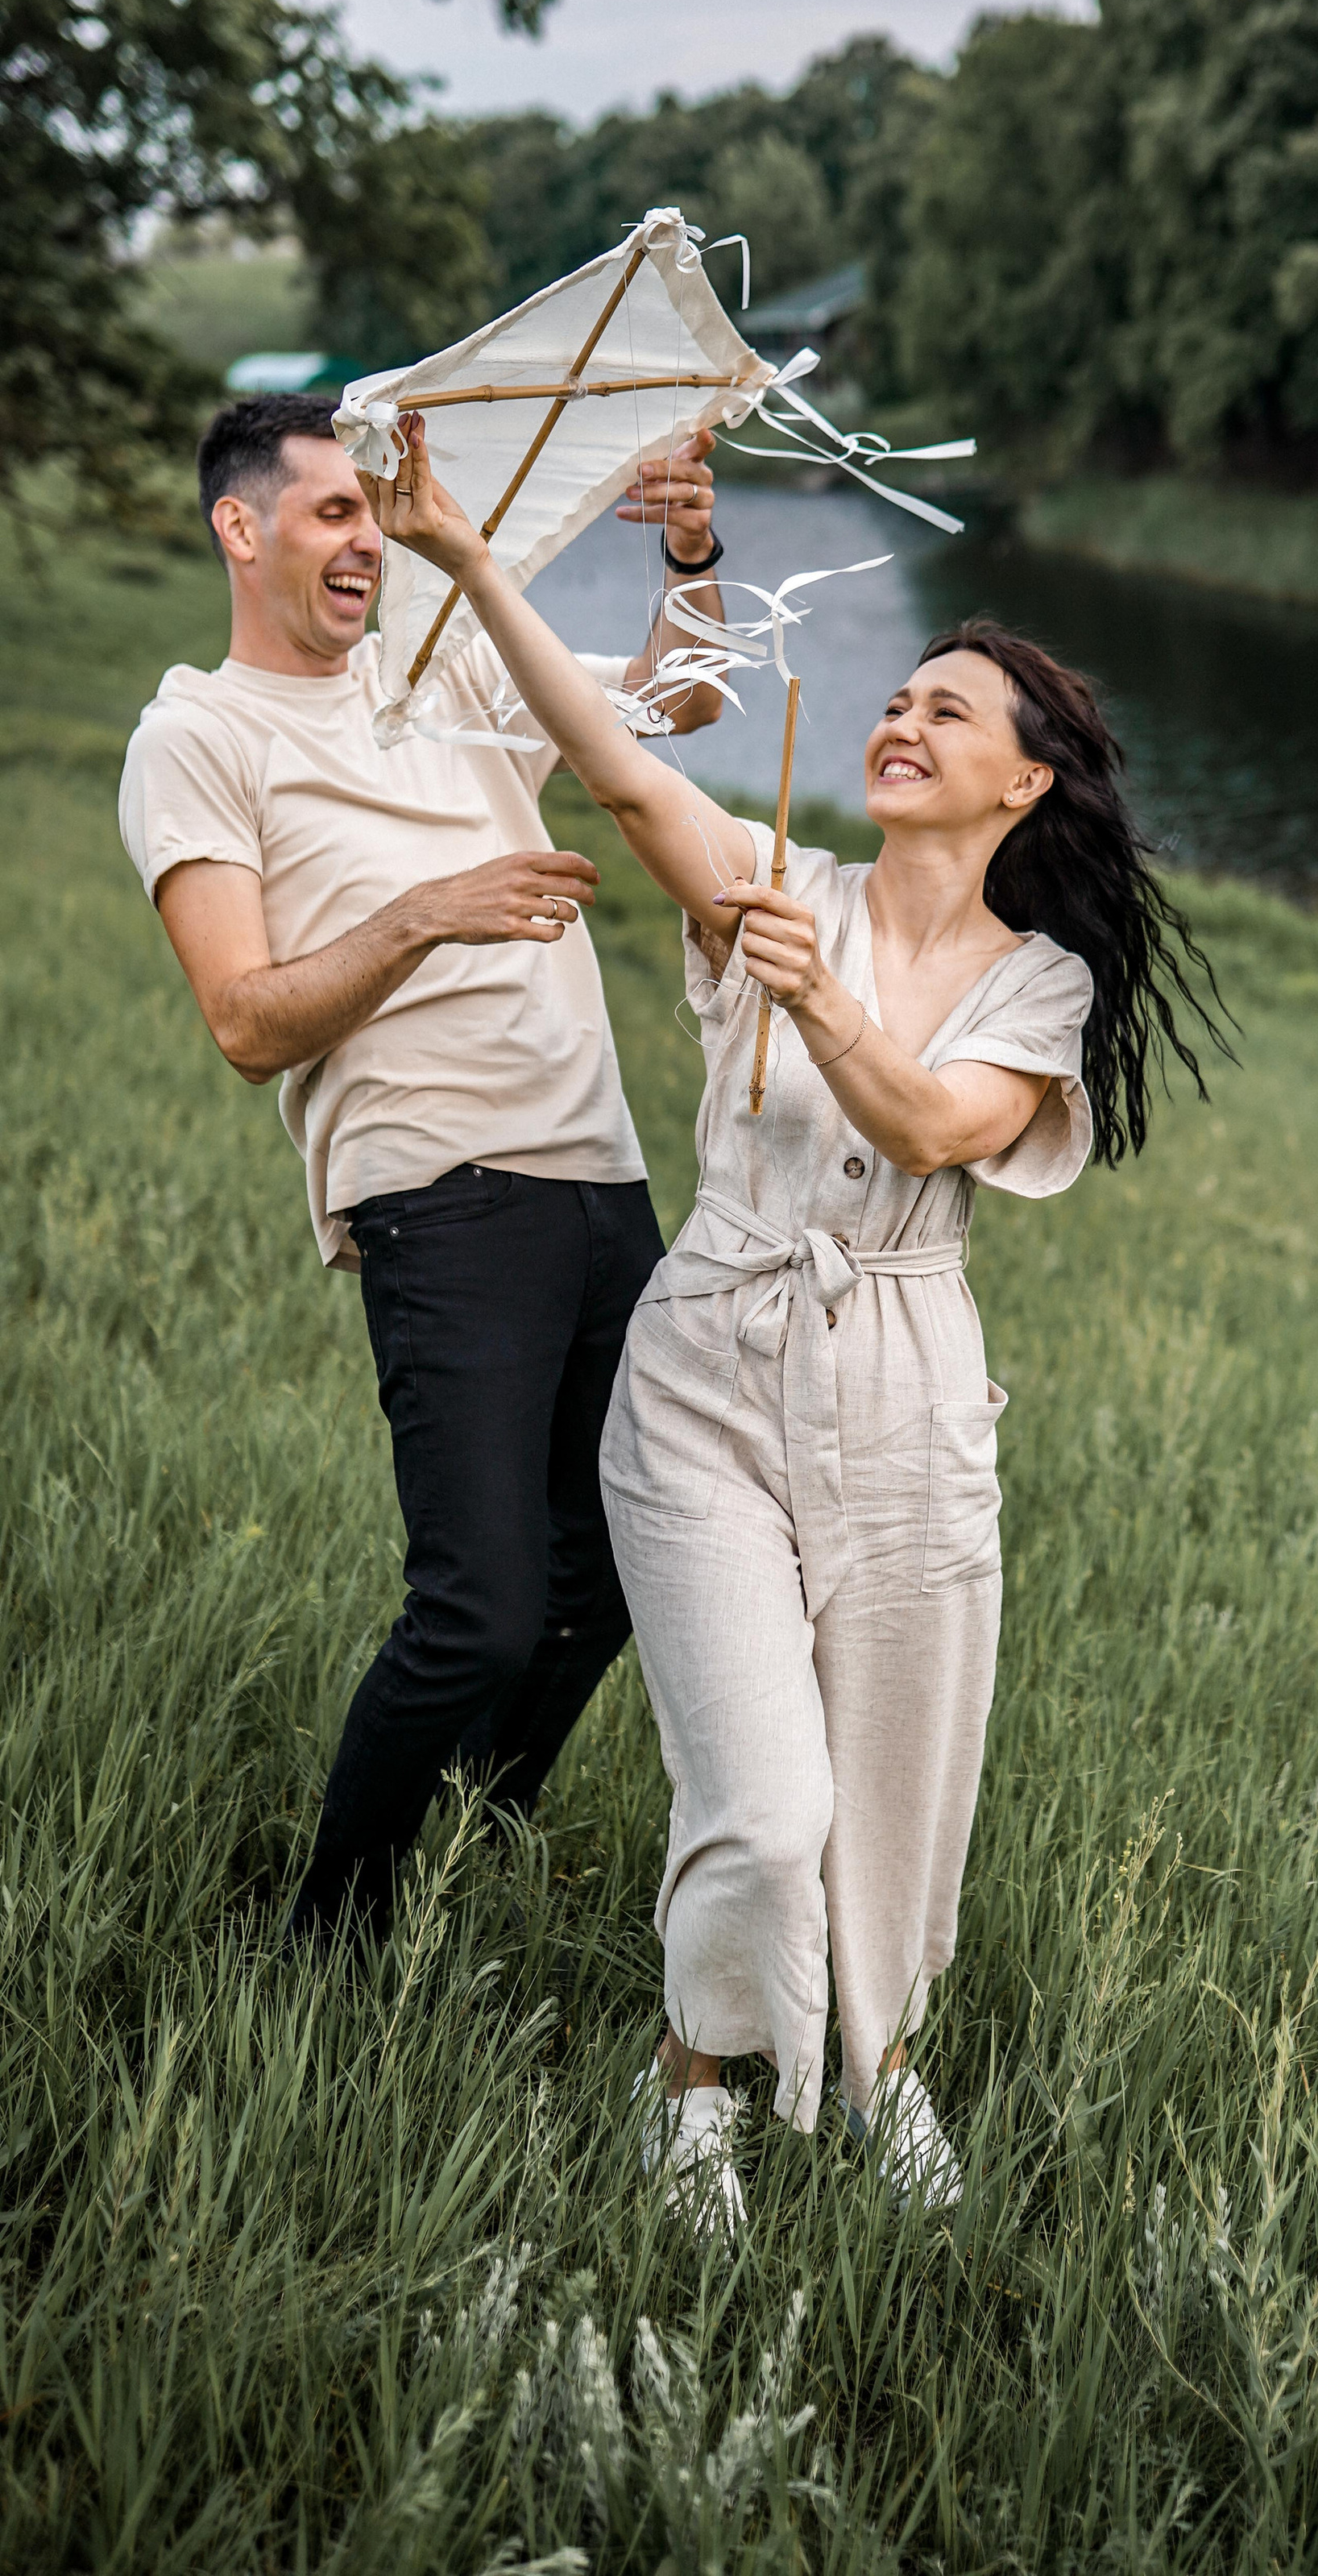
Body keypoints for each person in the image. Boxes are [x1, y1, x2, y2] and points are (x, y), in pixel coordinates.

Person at [364, 412, 1226, 2225]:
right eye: (896, 699)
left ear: (1025, 786)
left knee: (891, 1790)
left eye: (948, 715)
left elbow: (934, 1129)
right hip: (703, 1377)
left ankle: (883, 2063)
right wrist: (468, 560)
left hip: (906, 1393)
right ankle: (694, 2082)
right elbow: (618, 769)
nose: (901, 722)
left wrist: (821, 1003)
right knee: (762, 1802)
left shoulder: (1039, 984)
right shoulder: (774, 885)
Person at [118, 390, 734, 1941]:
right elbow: (245, 1022)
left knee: (610, 1576)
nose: (365, 543)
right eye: (333, 511)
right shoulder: (196, 736)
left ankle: (452, 1852)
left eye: (374, 514)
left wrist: (691, 558)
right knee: (481, 1610)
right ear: (241, 527)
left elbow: (679, 707)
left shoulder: (448, 660)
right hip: (436, 1188)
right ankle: (326, 1937)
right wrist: (423, 915)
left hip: (602, 1177)